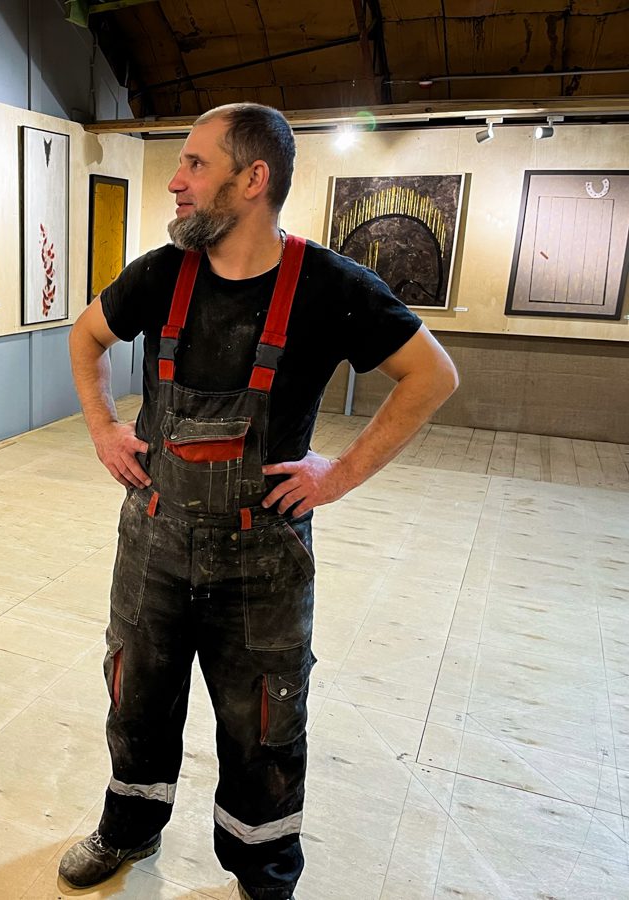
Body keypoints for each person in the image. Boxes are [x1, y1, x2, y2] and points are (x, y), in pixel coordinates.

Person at [60, 103, 458, 898]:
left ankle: (264, 870)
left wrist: (336, 475)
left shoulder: (331, 286)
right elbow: (86, 335)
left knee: (264, 723)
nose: (176, 181)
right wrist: (103, 428)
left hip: (264, 556)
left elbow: (432, 375)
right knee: (136, 697)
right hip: (155, 541)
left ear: (253, 179)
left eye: (195, 164)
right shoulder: (160, 275)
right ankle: (129, 827)